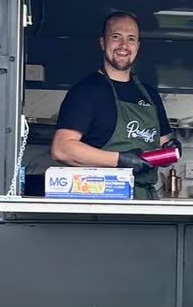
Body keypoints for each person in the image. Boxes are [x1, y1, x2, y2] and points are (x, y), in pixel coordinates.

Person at [52, 11, 175, 200]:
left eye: (131, 39)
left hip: (145, 199)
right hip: (102, 199)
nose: (124, 46)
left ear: (138, 46)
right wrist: (120, 160)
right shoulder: (87, 91)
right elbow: (62, 148)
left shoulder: (150, 95)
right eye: (116, 37)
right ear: (103, 42)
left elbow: (163, 145)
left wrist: (172, 150)